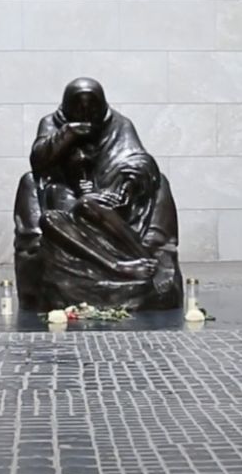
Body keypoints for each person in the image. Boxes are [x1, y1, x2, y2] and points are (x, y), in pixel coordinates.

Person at [13, 78, 182, 311]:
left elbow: (138, 159)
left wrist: (123, 188)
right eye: (78, 106)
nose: (85, 112)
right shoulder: (52, 123)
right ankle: (121, 265)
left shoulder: (119, 124)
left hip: (107, 202)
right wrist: (67, 134)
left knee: (158, 182)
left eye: (92, 106)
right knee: (50, 213)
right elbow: (39, 161)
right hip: (64, 202)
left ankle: (141, 257)